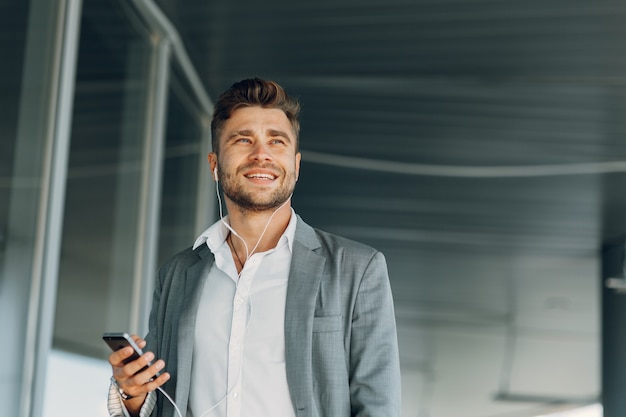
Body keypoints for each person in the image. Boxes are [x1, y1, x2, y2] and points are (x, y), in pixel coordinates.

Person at [107, 78, 401, 417]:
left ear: (296, 165)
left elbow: (379, 407)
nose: (261, 154)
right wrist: (131, 393)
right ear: (214, 164)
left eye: (277, 142)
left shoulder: (358, 269)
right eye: (243, 140)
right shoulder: (177, 274)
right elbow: (159, 402)